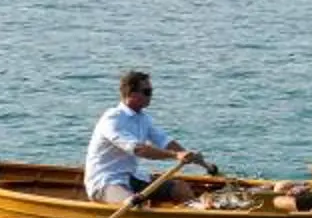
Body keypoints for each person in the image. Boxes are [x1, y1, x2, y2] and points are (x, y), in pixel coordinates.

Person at [84, 69, 217, 208]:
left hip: (133, 177)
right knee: (135, 204)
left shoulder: (143, 118)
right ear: (132, 94)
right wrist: (176, 155)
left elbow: (165, 141)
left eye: (151, 91)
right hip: (106, 182)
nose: (151, 96)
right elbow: (139, 150)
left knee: (180, 188)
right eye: (147, 92)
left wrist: (190, 156)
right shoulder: (113, 119)